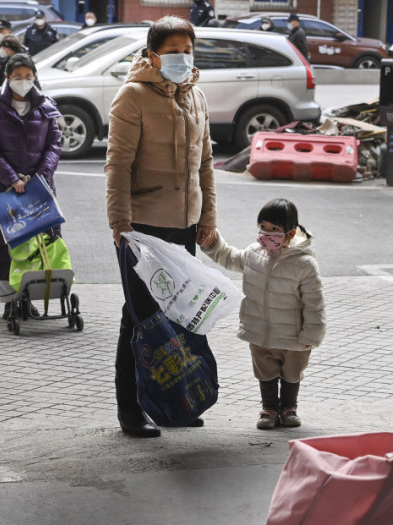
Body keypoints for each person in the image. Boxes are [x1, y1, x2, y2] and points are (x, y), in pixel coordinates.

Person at [105, 15, 217, 438]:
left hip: (184, 225)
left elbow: (205, 164)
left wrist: (208, 218)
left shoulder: (197, 97)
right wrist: (119, 221)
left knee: (180, 314)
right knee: (140, 318)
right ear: (152, 55)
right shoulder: (131, 97)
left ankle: (177, 402)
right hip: (143, 227)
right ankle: (131, 410)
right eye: (172, 52)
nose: (181, 59)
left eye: (187, 51)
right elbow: (117, 165)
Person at [199, 199, 325, 429]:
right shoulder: (253, 254)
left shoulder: (304, 264)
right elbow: (229, 257)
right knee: (265, 371)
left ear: (290, 233)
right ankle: (269, 409)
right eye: (263, 227)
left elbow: (314, 304)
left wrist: (311, 336)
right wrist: (213, 243)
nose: (267, 234)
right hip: (260, 331)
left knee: (292, 373)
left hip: (293, 336)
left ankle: (289, 409)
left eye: (274, 230)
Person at [0, 53, 62, 313]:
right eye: (18, 77)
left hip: (39, 188)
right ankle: (10, 301)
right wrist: (12, 178)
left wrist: (42, 176)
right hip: (4, 189)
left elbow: (54, 145)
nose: (23, 82)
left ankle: (28, 297)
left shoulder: (46, 106)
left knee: (40, 244)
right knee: (4, 245)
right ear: (7, 78)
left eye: (28, 77)